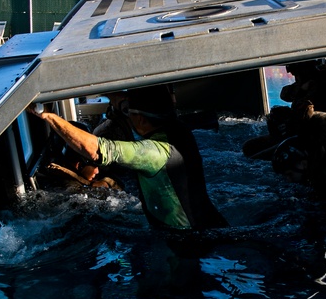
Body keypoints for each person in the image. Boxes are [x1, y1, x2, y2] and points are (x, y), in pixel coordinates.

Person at [28, 85, 226, 231]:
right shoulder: (179, 130)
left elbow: (97, 149)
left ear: (139, 118)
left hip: (186, 241)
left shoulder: (154, 152)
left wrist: (49, 116)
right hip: (211, 224)